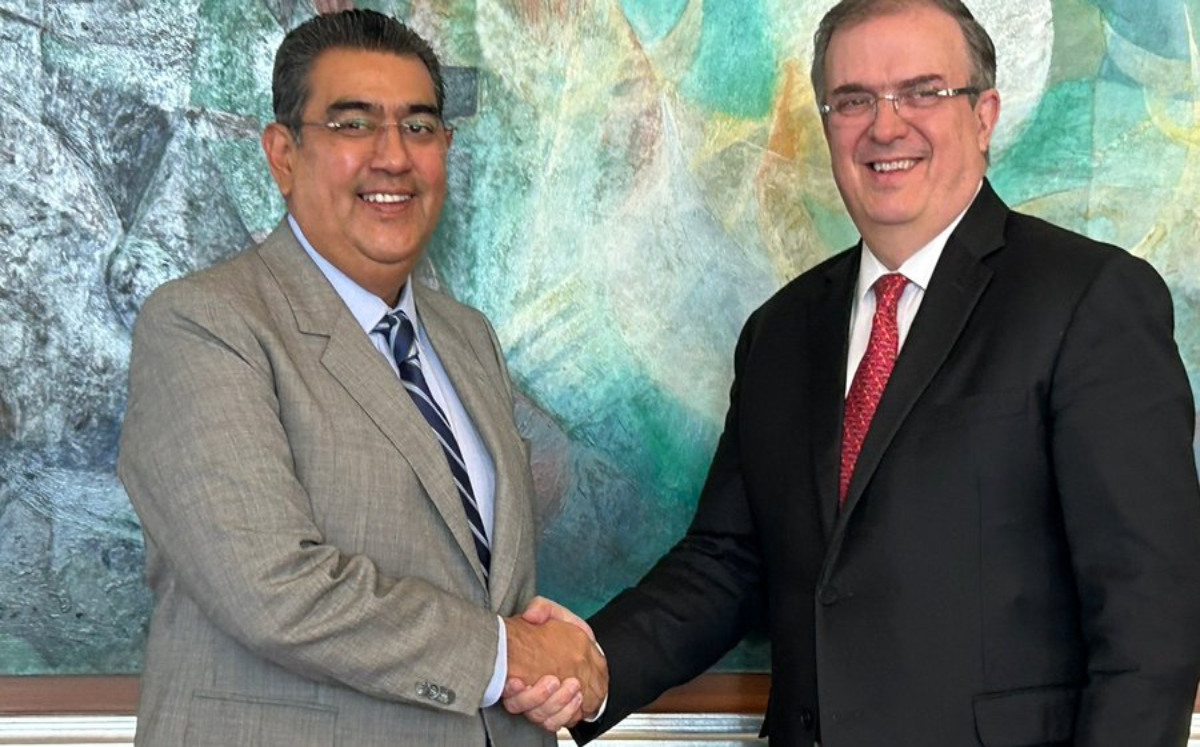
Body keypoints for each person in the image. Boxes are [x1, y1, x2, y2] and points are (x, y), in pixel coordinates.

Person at [505, 0, 1200, 744]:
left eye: (923, 92)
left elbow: (1150, 621)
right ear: (828, 123)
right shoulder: (780, 331)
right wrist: (593, 665)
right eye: (854, 100)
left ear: (984, 116)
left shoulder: (1088, 298)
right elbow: (728, 563)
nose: (886, 126)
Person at [118, 10, 604, 746]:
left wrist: (565, 665)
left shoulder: (467, 338)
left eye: (419, 126)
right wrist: (507, 654)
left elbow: (487, 584)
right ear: (283, 154)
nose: (394, 156)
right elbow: (272, 587)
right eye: (353, 124)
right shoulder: (203, 324)